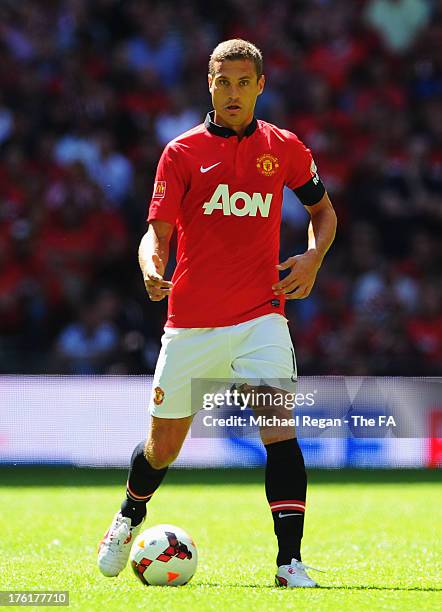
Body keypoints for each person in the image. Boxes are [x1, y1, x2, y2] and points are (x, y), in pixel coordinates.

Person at [98, 39, 337, 588]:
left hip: (261, 318)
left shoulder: (286, 148)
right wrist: (150, 266)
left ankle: (289, 563)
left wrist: (313, 258)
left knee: (279, 430)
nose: (232, 92)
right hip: (191, 323)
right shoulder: (181, 152)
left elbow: (322, 213)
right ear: (209, 83)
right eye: (222, 81)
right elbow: (155, 233)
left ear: (260, 86)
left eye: (242, 82)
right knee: (162, 449)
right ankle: (128, 516)